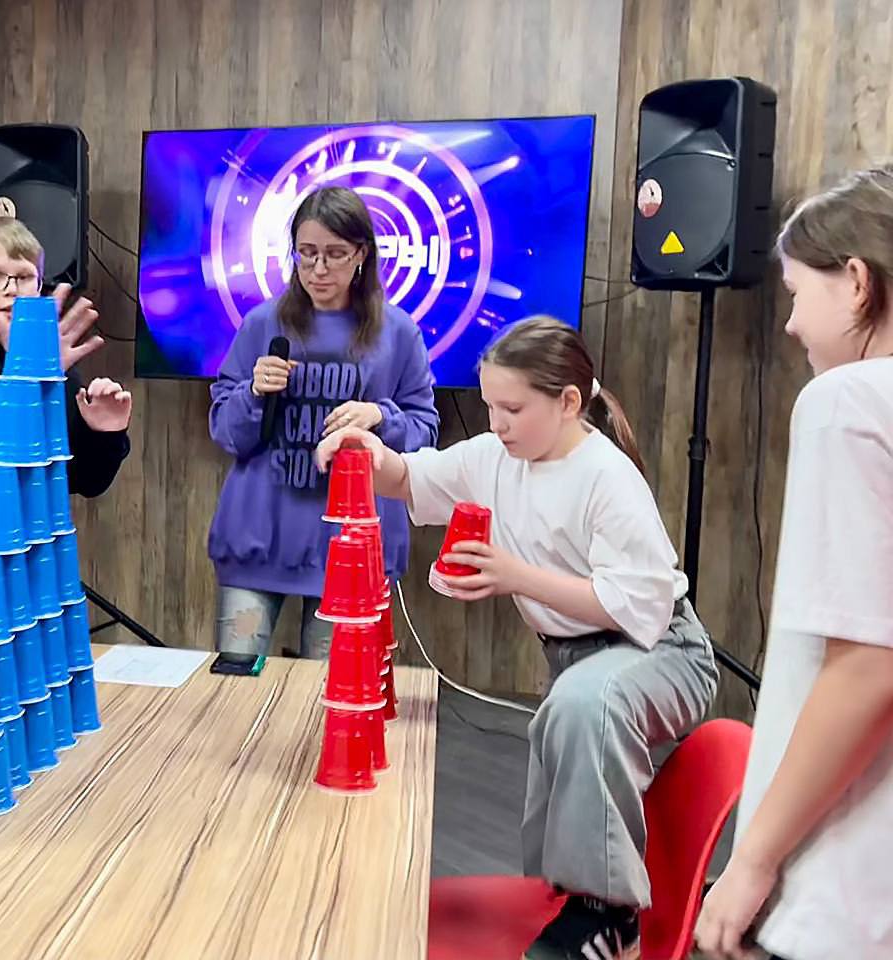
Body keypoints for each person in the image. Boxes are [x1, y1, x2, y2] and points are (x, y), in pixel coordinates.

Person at [317, 316, 718, 960]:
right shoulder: (494, 457)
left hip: (661, 650)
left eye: (512, 409)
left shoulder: (607, 476)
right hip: (579, 658)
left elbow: (635, 605)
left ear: (568, 402)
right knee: (565, 726)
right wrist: (366, 452)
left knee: (584, 706)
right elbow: (409, 479)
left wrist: (514, 576)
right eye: (489, 407)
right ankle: (569, 900)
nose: (497, 423)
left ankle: (609, 915)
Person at [696, 167, 893, 960]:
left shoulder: (848, 403)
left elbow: (868, 666)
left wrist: (753, 860)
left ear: (858, 283)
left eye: (795, 294)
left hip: (845, 892)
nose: (789, 324)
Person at [208, 186, 438, 659]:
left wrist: (380, 415)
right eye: (307, 253)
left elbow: (424, 432)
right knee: (237, 679)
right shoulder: (261, 324)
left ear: (362, 254)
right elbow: (225, 432)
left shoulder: (398, 332)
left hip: (350, 551)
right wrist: (253, 392)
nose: (318, 269)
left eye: (334, 254)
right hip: (257, 541)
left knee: (332, 692)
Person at [0, 216, 131, 513]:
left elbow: (85, 481)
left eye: (25, 277)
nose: (12, 289)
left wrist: (105, 434)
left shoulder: (50, 360)